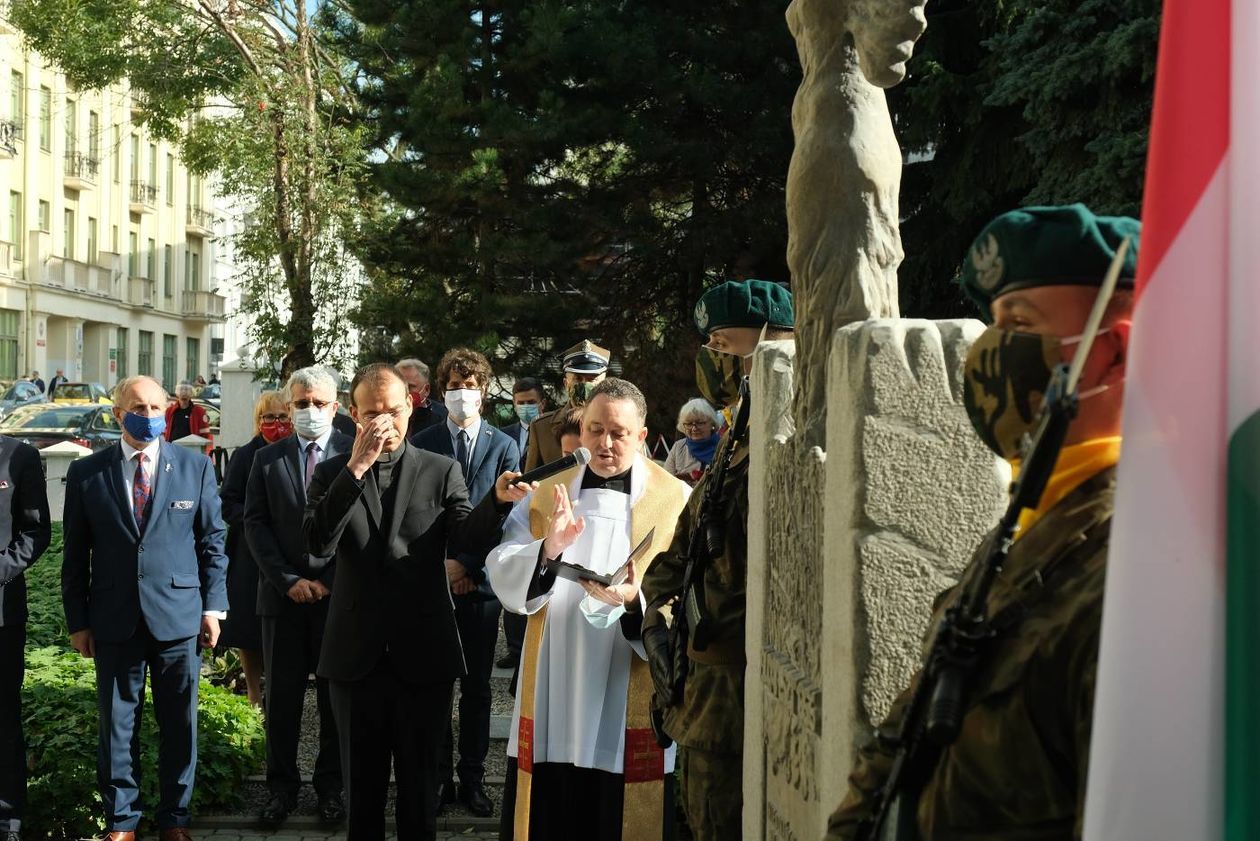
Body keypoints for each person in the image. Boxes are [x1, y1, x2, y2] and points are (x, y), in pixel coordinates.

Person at [825, 205, 1137, 840]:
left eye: (1019, 324)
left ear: (1117, 349)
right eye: (995, 324)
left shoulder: (1143, 566)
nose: (992, 353)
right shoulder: (1028, 527)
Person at [304, 363, 531, 841]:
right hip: (355, 655)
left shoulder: (439, 468)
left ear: (411, 407)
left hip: (422, 654)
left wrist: (497, 500)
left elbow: (466, 534)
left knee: (420, 790)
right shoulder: (331, 473)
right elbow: (318, 544)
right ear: (353, 414)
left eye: (394, 411)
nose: (384, 424)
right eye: (372, 414)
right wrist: (356, 467)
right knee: (361, 794)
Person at [490, 378, 691, 841]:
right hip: (553, 675)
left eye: (618, 433)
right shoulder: (544, 492)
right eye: (595, 430)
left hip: (627, 670)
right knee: (551, 806)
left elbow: (689, 590)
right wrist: (546, 551)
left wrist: (637, 604)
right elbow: (500, 565)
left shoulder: (675, 499)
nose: (604, 443)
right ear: (581, 433)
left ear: (642, 436)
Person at [640, 279, 794, 841]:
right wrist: (657, 617)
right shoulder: (737, 437)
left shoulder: (787, 436)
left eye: (727, 348)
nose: (717, 363)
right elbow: (683, 545)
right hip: (702, 675)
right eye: (714, 349)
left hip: (737, 681)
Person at [62, 375, 229, 841]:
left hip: (178, 617)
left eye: (158, 408)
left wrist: (213, 608)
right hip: (114, 618)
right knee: (117, 726)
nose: (150, 416)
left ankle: (174, 817)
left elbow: (213, 543)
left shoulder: (194, 468)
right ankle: (122, 821)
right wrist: (78, 622)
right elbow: (75, 555)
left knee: (180, 724)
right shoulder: (87, 473)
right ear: (118, 413)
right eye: (139, 407)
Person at [413, 349, 522, 819]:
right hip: (435, 580)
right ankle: (439, 779)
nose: (463, 393)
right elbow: (418, 509)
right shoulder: (426, 437)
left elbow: (509, 515)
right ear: (443, 390)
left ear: (485, 390)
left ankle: (473, 778)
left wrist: (467, 565)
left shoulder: (504, 444)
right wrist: (444, 564)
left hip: (480, 584)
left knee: (477, 689)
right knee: (437, 683)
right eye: (455, 385)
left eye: (471, 385)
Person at [246, 368, 352, 828]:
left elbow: (360, 527)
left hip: (338, 600)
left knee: (335, 702)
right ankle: (281, 791)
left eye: (319, 402)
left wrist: (329, 578)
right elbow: (255, 525)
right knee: (282, 702)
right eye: (301, 403)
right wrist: (288, 579)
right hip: (282, 599)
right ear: (289, 407)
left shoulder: (355, 457)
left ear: (336, 405)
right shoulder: (266, 461)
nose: (310, 411)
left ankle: (332, 791)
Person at [498, 402, 585, 674]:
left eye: (583, 456)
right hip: (549, 620)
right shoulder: (542, 496)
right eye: (568, 456)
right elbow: (508, 554)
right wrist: (547, 548)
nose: (575, 465)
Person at [217, 392, 290, 708]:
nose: (275, 424)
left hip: (288, 552)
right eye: (268, 418)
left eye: (281, 417)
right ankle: (253, 692)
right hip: (250, 553)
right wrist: (255, 521)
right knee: (249, 627)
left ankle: (279, 690)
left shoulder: (296, 452)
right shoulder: (246, 455)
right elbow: (228, 501)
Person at [0, 435, 52, 841]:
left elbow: (36, 532)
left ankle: (8, 821)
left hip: (1, 614)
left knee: (3, 719)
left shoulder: (19, 456)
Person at [522, 340, 610, 472]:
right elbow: (532, 484)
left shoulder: (619, 425)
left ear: (604, 383)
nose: (585, 385)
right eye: (578, 379)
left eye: (592, 379)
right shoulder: (541, 428)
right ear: (566, 383)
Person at [662, 399, 722, 486]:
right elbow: (665, 481)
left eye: (700, 423)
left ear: (712, 424)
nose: (694, 428)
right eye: (689, 424)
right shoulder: (678, 447)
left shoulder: (722, 446)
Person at [397, 358, 449, 438]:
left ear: (426, 389)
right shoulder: (387, 417)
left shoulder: (444, 418)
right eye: (400, 386)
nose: (404, 391)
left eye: (410, 386)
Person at [501, 378, 546, 455]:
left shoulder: (554, 432)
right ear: (514, 405)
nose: (526, 407)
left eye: (531, 402)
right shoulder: (503, 435)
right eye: (521, 403)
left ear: (543, 403)